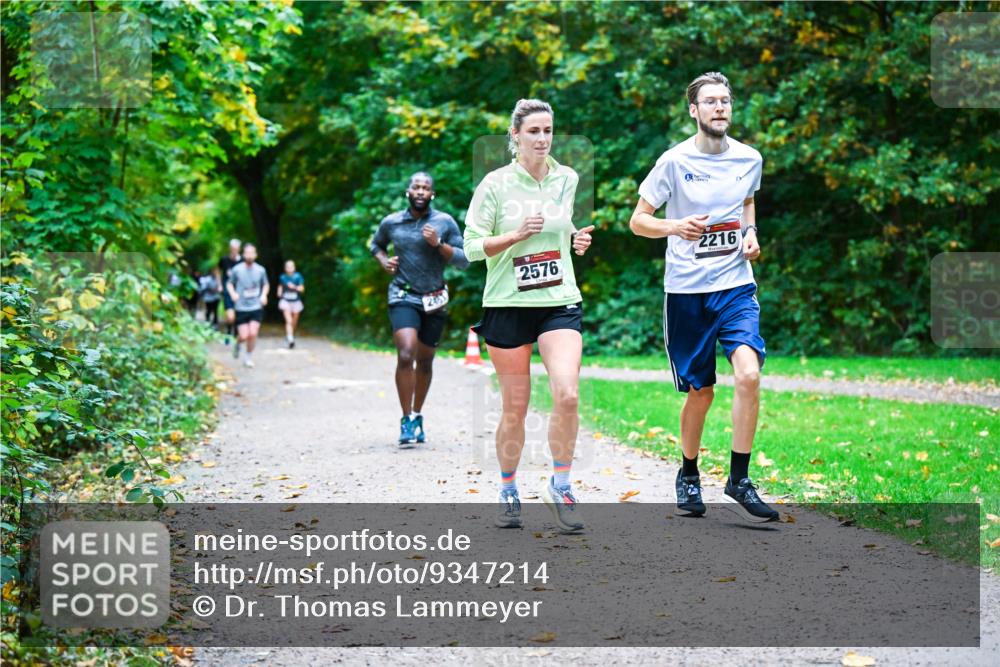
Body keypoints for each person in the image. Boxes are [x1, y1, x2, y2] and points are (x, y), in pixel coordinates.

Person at [629, 71, 777, 523]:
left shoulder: (749, 158)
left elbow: (747, 201)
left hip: (734, 283)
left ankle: (739, 478)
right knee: (702, 392)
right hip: (688, 292)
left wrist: (750, 233)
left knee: (749, 376)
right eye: (710, 102)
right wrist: (675, 226)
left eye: (725, 101)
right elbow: (638, 221)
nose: (720, 108)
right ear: (693, 110)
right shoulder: (673, 161)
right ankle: (689, 472)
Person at [464, 99, 595, 533]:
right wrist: (517, 235)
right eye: (534, 131)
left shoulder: (567, 179)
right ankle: (507, 488)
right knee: (515, 407)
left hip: (559, 300)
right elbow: (470, 247)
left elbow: (565, 227)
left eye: (548, 130)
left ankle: (561, 485)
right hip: (507, 303)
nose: (543, 138)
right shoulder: (495, 184)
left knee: (568, 394)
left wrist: (576, 240)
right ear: (515, 135)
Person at [370, 172, 468, 447]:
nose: (421, 191)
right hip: (403, 294)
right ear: (408, 191)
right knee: (406, 352)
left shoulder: (444, 222)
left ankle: (417, 414)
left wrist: (439, 245)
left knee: (425, 360)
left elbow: (463, 260)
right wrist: (383, 260)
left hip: (434, 298)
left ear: (432, 194)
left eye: (426, 187)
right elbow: (375, 245)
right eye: (416, 186)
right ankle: (405, 419)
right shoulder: (392, 222)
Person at [226, 243, 268, 368]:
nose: (249, 255)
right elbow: (229, 284)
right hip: (241, 307)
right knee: (244, 335)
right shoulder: (237, 269)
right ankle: (238, 344)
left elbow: (265, 284)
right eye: (247, 253)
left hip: (256, 306)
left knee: (253, 333)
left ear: (256, 255)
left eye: (252, 253)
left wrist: (264, 295)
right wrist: (233, 294)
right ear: (243, 254)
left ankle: (248, 357)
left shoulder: (261, 270)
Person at [218, 239, 242, 340]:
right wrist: (219, 284)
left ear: (239, 249)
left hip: (240, 291)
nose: (234, 251)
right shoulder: (224, 260)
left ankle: (236, 333)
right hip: (227, 290)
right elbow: (217, 271)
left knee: (238, 313)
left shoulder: (243, 261)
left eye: (236, 249)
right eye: (232, 249)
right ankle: (229, 330)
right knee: (230, 316)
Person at [277, 260, 305, 348]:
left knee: (294, 321)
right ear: (285, 268)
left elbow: (302, 289)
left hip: (296, 301)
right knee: (288, 320)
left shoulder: (298, 276)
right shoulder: (282, 277)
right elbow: (280, 285)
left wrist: (295, 287)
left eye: (291, 266)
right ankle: (290, 339)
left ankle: (290, 335)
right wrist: (279, 292)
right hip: (285, 301)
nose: (289, 268)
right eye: (288, 267)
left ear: (294, 267)